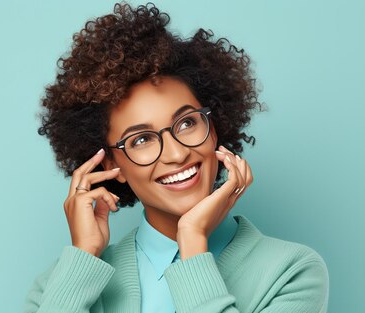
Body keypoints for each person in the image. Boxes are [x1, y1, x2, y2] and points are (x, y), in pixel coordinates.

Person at [25, 2, 329, 313]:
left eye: (187, 123)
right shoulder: (58, 288)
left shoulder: (291, 272)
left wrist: (193, 243)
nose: (177, 153)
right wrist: (84, 257)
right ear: (112, 165)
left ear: (214, 130)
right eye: (141, 139)